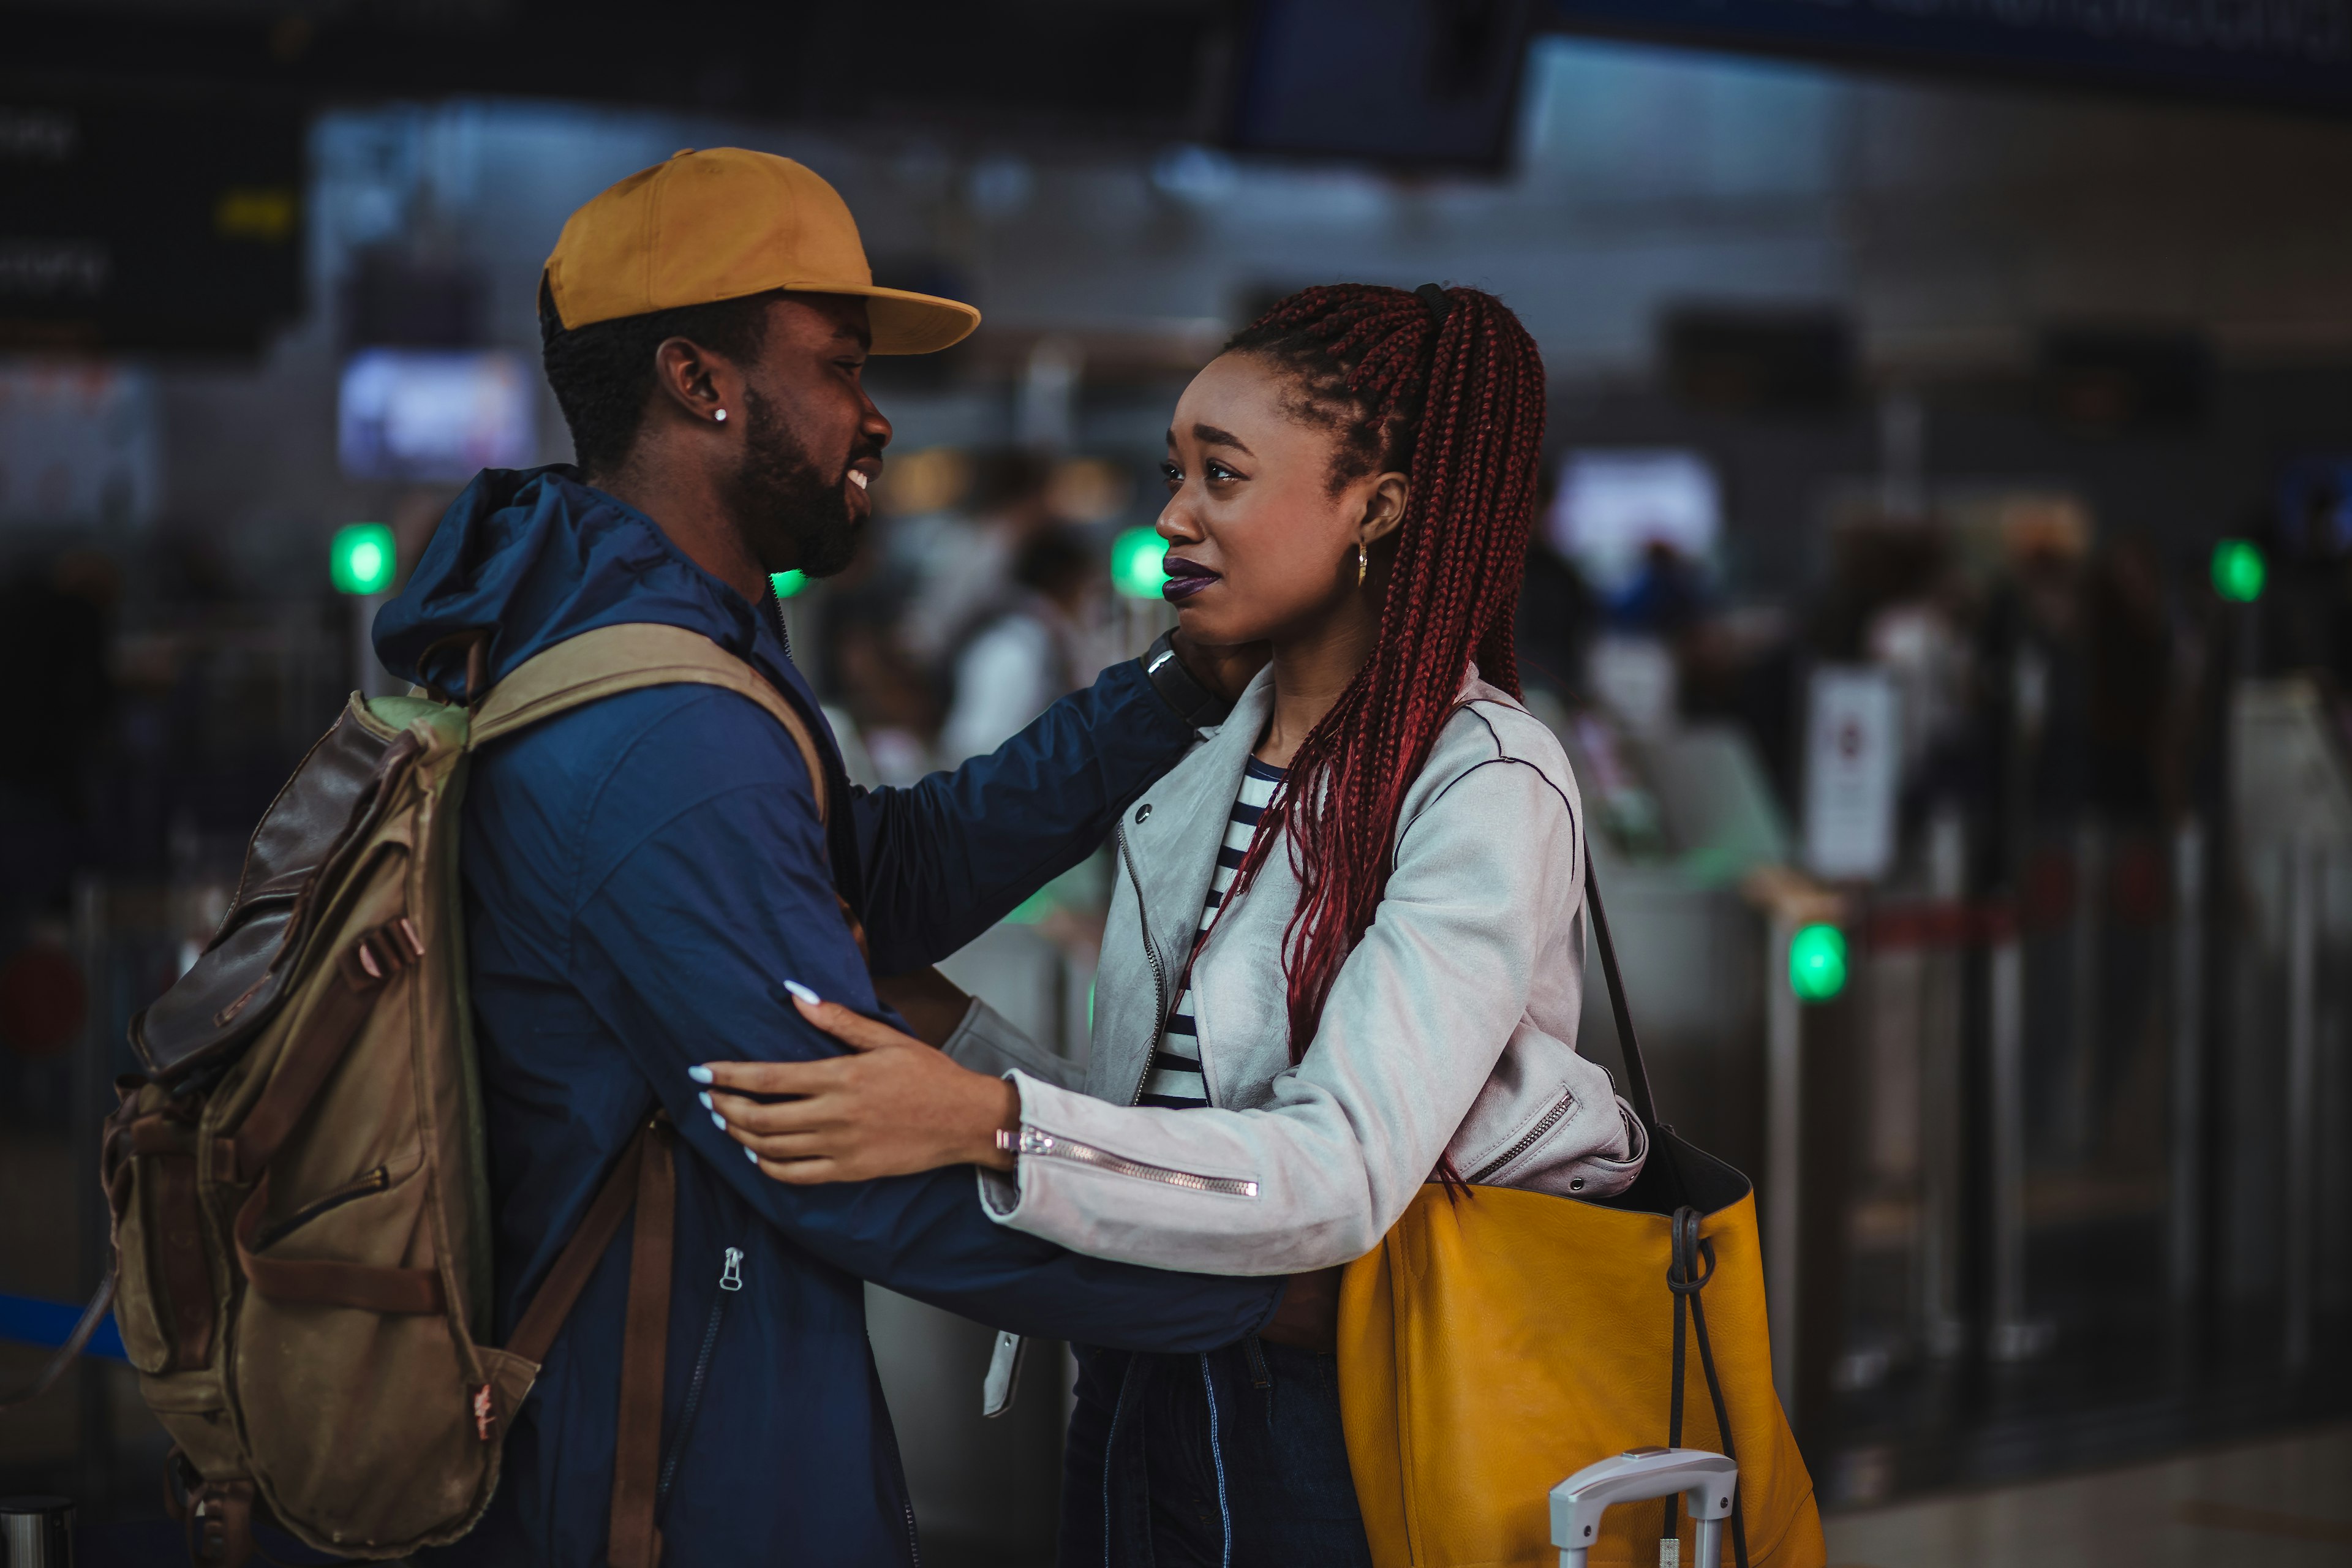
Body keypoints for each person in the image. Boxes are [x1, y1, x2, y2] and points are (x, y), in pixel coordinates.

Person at [377, 148, 1294, 1566]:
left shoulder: (661, 647)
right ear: (700, 382)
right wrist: (1262, 1273)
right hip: (658, 1478)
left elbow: (876, 871)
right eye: (841, 364)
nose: (875, 417)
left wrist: (1172, 690)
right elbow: (852, 1161)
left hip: (680, 1409)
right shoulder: (659, 742)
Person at [703, 284, 1648, 1565]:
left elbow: (1338, 1171)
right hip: (1141, 1380)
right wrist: (946, 1038)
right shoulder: (1210, 756)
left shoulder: (1484, 780)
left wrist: (980, 1117)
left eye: (1223, 474)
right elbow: (1175, 1136)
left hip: (1338, 1419)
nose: (1171, 516)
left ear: (1378, 503)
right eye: (1172, 470)